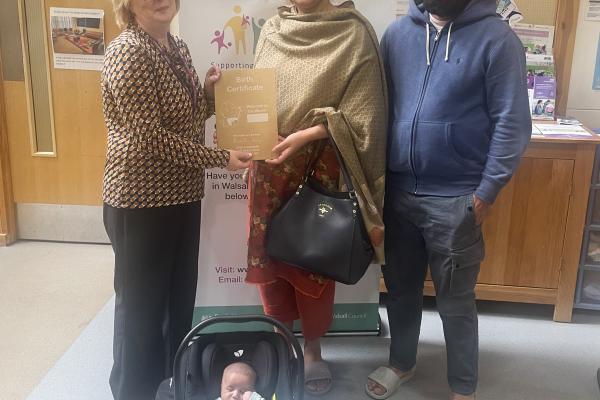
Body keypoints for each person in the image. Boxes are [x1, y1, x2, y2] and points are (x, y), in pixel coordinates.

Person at [366, 0, 531, 399]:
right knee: (401, 292)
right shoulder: (397, 35)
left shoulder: (498, 40)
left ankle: (462, 387)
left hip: (457, 198)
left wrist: (485, 193)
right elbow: (378, 109)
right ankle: (401, 363)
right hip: (399, 193)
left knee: (455, 302)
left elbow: (513, 122)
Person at [102, 1, 252, 399]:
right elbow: (151, 138)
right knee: (140, 311)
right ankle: (132, 391)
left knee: (178, 301)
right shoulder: (127, 52)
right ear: (128, 4)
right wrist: (221, 159)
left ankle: (172, 385)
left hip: (182, 194)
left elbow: (185, 122)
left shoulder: (178, 48)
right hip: (138, 201)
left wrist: (207, 95)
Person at [246, 0, 387, 396]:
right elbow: (255, 97)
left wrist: (307, 134)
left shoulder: (352, 33)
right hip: (269, 166)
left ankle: (311, 349)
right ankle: (278, 340)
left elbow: (364, 115)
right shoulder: (274, 28)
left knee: (313, 262)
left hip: (316, 169)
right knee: (270, 256)